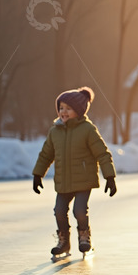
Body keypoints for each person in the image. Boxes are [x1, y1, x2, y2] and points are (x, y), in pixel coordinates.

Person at [33, 86, 117, 259]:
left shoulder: (87, 129)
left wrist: (110, 176)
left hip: (83, 181)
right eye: (61, 108)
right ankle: (64, 242)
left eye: (68, 108)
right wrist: (38, 174)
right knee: (58, 211)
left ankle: (84, 237)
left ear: (78, 111)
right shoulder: (54, 131)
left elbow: (102, 153)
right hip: (63, 182)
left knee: (79, 210)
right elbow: (46, 155)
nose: (63, 112)